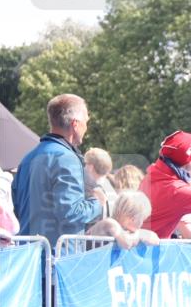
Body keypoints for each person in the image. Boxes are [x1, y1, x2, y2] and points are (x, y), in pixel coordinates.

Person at [12, 94, 105, 246]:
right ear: (75, 124)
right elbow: (71, 212)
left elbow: (18, 208)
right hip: (57, 258)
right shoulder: (67, 158)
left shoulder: (27, 158)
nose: (86, 128)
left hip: (29, 257)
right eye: (86, 122)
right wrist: (97, 203)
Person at [87, 190, 160, 250]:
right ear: (133, 219)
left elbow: (155, 239)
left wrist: (142, 234)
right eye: (142, 219)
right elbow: (127, 243)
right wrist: (140, 235)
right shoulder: (110, 224)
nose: (141, 224)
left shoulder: (121, 230)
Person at [84, 147, 116, 218]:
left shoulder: (91, 190)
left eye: (85, 163)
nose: (84, 167)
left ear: (90, 167)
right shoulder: (111, 188)